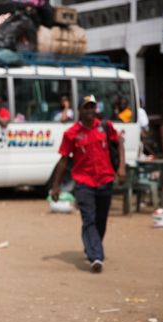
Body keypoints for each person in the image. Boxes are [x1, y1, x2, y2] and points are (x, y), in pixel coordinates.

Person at [51, 95, 125, 273]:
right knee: (89, 219)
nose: (90, 111)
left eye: (93, 107)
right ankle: (96, 256)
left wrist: (122, 166)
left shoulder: (105, 127)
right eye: (86, 107)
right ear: (80, 110)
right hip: (84, 183)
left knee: (101, 219)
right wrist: (56, 186)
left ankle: (92, 246)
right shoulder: (71, 133)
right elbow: (63, 160)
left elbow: (119, 143)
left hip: (105, 180)